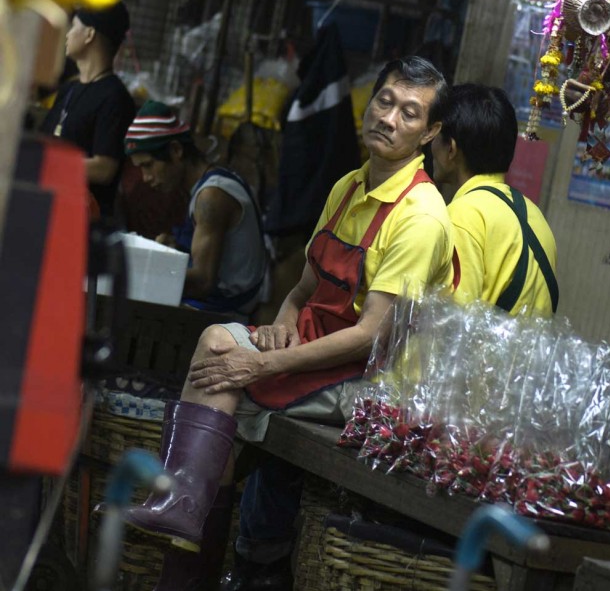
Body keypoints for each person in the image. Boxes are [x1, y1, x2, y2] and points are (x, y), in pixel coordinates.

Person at [119, 56, 455, 591]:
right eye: (385, 102)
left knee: (224, 374)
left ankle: (185, 523)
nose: (389, 118)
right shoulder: (348, 187)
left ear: (431, 132)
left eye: (410, 113)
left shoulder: (421, 217)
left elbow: (371, 334)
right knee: (216, 342)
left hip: (373, 385)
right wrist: (281, 324)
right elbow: (301, 291)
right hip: (318, 353)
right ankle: (183, 509)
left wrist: (266, 360)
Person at [124, 101, 268, 320]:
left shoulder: (211, 196)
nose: (146, 178)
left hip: (225, 314)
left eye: (149, 165)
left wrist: (141, 272)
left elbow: (202, 282)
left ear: (175, 150)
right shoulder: (212, 183)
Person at [430, 83, 558, 317]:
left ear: (451, 149)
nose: (430, 145)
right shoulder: (534, 215)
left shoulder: (465, 214)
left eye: (436, 135)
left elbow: (451, 326)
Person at [41, 2, 135, 218]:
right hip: (48, 207)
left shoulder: (114, 98)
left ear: (89, 34)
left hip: (82, 220)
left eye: (74, 26)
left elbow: (104, 168)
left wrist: (48, 164)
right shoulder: (69, 89)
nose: (67, 34)